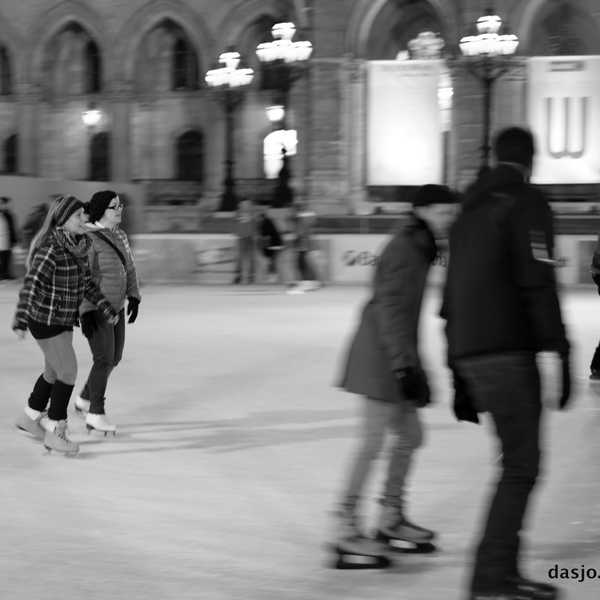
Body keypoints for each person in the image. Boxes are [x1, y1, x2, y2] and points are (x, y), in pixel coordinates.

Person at [442, 127, 571, 600]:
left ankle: (502, 573)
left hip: (472, 352)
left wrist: (456, 367)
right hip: (508, 352)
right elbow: (538, 281)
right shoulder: (525, 202)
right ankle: (492, 578)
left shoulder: (467, 211)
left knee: (513, 463)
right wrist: (561, 347)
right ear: (531, 161)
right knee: (521, 467)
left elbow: (450, 296)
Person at [332, 185, 458, 568]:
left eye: (452, 214)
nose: (448, 221)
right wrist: (405, 366)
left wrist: (414, 365)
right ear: (421, 211)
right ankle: (345, 527)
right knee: (373, 442)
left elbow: (405, 315)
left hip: (395, 352)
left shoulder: (421, 245)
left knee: (411, 436)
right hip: (380, 355)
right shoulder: (406, 247)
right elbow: (390, 308)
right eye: (442, 213)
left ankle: (390, 516)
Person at [12, 196, 119, 455]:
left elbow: (85, 283)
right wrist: (21, 318)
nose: (85, 218)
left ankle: (29, 416)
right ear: (63, 221)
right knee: (67, 371)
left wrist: (104, 305)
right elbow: (33, 284)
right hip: (46, 321)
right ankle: (56, 431)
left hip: (62, 319)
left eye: (84, 215)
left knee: (53, 371)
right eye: (79, 215)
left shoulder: (77, 245)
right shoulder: (51, 248)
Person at [74, 191, 141, 434]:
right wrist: (85, 311)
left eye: (120, 205)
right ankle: (95, 413)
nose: (119, 209)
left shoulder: (120, 235)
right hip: (97, 309)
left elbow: (130, 267)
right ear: (102, 210)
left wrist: (134, 295)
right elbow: (82, 278)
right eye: (114, 207)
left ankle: (83, 398)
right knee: (103, 359)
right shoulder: (88, 239)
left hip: (117, 308)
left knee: (115, 358)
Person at [257, 206, 283, 283]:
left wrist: (264, 250)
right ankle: (273, 277)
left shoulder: (265, 224)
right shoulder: (268, 222)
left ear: (261, 217)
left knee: (271, 261)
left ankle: (272, 277)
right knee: (272, 261)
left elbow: (266, 237)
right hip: (276, 244)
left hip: (273, 245)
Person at [233, 199, 256, 284]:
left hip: (249, 238)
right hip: (242, 238)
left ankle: (250, 276)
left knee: (250, 258)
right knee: (240, 257)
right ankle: (238, 275)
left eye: (247, 204)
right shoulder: (238, 213)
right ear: (240, 205)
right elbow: (235, 225)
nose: (245, 206)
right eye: (244, 204)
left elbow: (254, 225)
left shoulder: (252, 214)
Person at [0, 196, 17, 279]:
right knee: (2, 258)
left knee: (7, 257)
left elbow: (12, 228)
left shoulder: (8, 215)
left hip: (7, 240)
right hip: (1, 240)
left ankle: (6, 274)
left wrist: (14, 239)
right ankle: (2, 274)